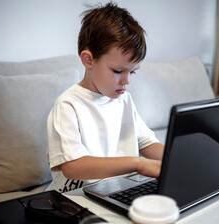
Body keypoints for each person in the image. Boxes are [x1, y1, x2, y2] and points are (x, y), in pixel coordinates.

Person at [46, 2, 164, 193]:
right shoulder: (68, 105)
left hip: (118, 191)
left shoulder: (124, 100)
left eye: (132, 72)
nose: (127, 81)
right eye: (118, 71)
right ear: (88, 60)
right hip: (74, 198)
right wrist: (137, 164)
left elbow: (147, 143)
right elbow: (72, 166)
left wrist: (178, 158)